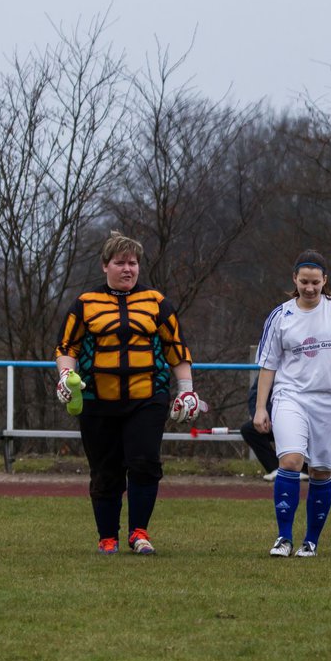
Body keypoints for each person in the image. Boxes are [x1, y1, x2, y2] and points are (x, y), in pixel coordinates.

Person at [55, 231, 201, 555]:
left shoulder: (157, 303)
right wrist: (66, 376)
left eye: (133, 263)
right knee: (105, 471)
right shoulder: (85, 304)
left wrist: (187, 390)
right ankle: (108, 537)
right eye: (120, 262)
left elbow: (176, 349)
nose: (128, 269)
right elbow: (67, 346)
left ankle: (139, 532)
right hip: (97, 401)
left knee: (145, 462)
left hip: (147, 399)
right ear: (105, 265)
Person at [254, 251, 331, 558]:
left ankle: (310, 541)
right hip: (291, 396)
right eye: (304, 281)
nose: (310, 288)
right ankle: (283, 538)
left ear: (324, 280)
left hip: (328, 401)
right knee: (290, 461)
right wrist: (261, 407)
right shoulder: (280, 316)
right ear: (295, 280)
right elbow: (268, 364)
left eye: (315, 282)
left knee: (321, 471)